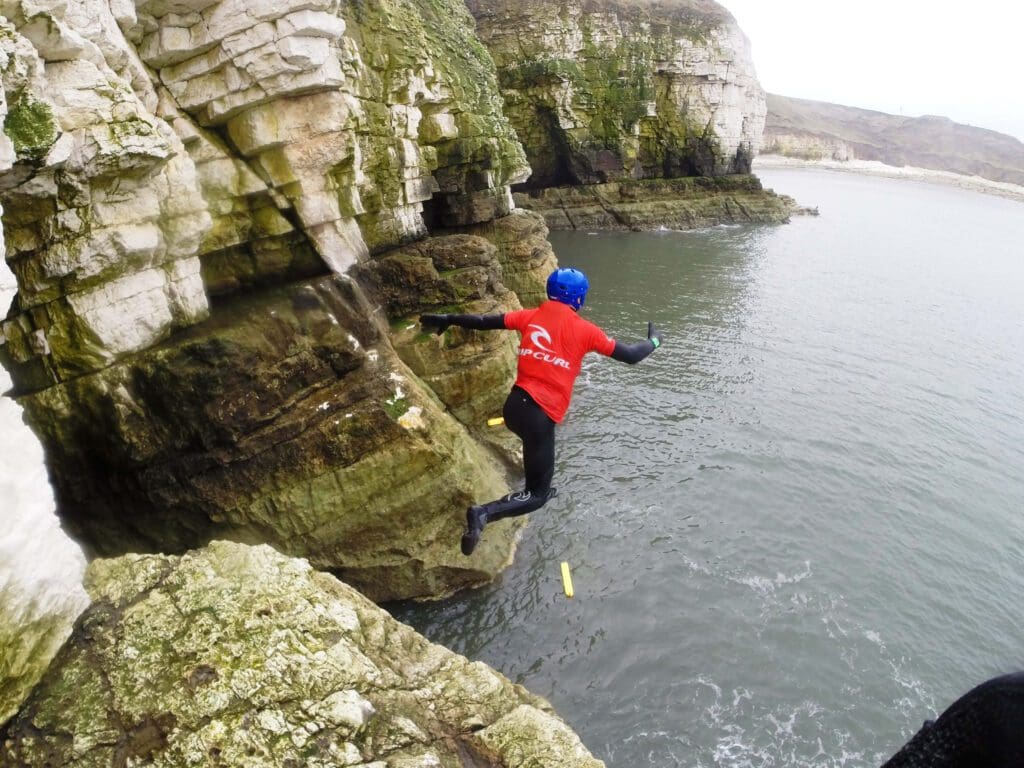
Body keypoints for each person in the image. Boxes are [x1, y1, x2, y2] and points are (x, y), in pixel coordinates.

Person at [420, 267, 663, 555]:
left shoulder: (529, 316)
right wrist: (655, 341)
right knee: (538, 496)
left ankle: (536, 488)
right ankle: (482, 514)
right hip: (539, 416)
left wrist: (448, 319)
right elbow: (633, 356)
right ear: (580, 299)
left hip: (514, 408)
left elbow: (484, 322)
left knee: (539, 474)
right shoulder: (586, 331)